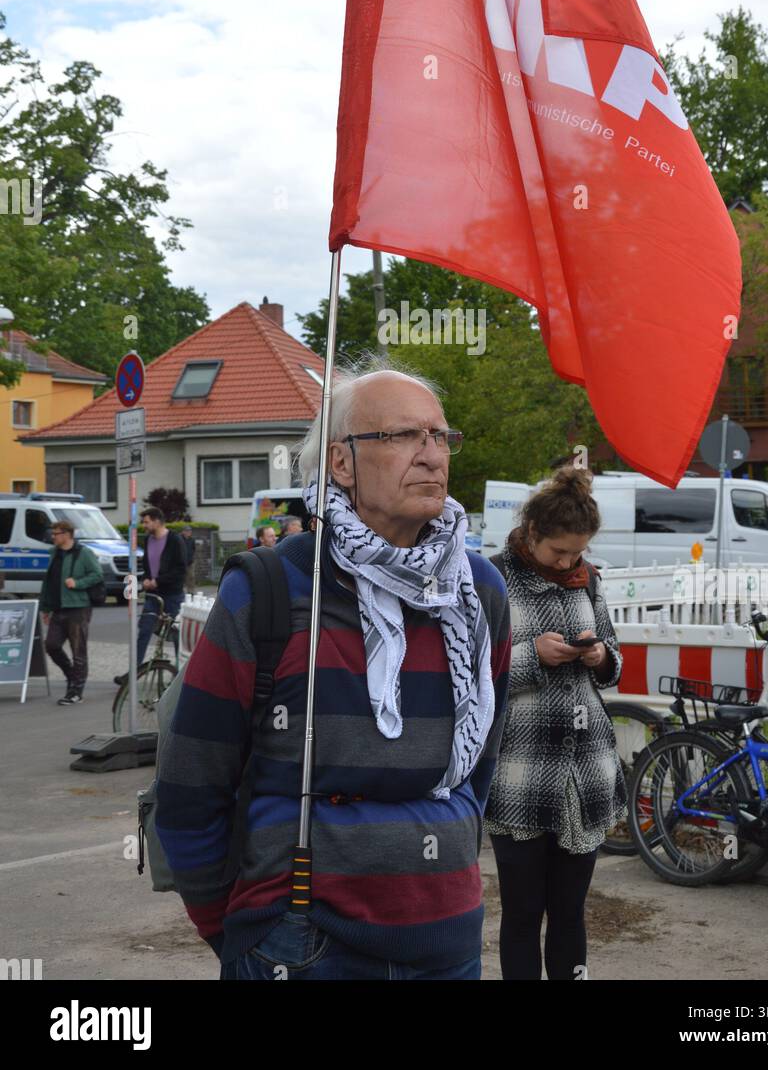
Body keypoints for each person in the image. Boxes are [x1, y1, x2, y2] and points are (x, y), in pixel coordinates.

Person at [155, 363, 511, 981]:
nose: (431, 456)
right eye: (404, 436)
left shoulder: (479, 591)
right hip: (298, 939)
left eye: (440, 437)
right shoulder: (271, 588)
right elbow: (191, 785)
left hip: (447, 939)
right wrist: (240, 929)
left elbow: (479, 762)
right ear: (341, 463)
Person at [485, 467, 626, 981]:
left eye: (576, 554)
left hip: (585, 774)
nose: (567, 563)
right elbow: (471, 674)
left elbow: (614, 663)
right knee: (522, 914)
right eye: (557, 553)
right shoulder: (491, 579)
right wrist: (532, 656)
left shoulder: (589, 579)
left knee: (570, 913)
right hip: (520, 775)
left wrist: (600, 658)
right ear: (532, 534)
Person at [115, 507, 186, 683]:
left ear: (156, 521)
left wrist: (158, 581)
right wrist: (147, 579)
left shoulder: (175, 540)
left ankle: (180, 675)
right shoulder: (148, 540)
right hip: (153, 595)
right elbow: (147, 565)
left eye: (146, 522)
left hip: (172, 594)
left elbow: (180, 570)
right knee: (144, 631)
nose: (144, 525)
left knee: (176, 634)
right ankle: (133, 673)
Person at [39, 520, 102, 705]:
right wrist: (45, 607)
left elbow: (97, 574)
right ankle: (71, 676)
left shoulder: (83, 553)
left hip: (78, 608)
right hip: (58, 608)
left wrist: (78, 583)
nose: (53, 537)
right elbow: (49, 582)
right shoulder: (54, 553)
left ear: (67, 534)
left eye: (56, 533)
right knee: (51, 645)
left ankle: (76, 691)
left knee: (78, 651)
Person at [180, 525, 197, 590]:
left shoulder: (192, 540)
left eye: (190, 531)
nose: (189, 532)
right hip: (182, 562)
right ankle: (181, 591)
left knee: (191, 577)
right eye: (187, 531)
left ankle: (191, 591)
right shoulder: (180, 539)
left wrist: (191, 557)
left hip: (190, 562)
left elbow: (193, 549)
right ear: (183, 532)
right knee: (182, 577)